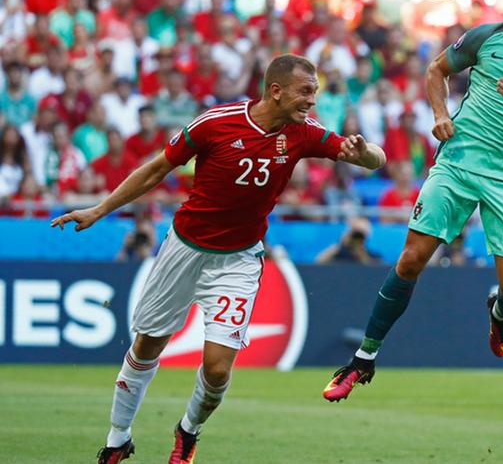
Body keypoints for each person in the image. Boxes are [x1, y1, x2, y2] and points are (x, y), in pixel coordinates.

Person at [51, 54, 385, 464]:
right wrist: (99, 210)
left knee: (217, 369)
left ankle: (188, 431)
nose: (312, 101)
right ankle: (118, 438)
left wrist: (363, 151)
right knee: (147, 345)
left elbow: (376, 161)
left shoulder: (304, 133)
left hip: (239, 260)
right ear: (275, 91)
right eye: (305, 91)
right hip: (185, 249)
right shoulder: (215, 123)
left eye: (314, 92)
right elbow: (157, 169)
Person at [323, 0, 503, 401]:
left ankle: (499, 314)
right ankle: (362, 360)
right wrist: (441, 114)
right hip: (458, 164)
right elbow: (436, 70)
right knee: (409, 261)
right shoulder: (488, 37)